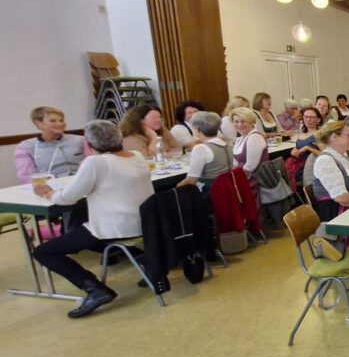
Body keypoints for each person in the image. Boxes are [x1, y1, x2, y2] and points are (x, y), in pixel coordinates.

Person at [31, 120, 155, 319]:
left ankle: (95, 289)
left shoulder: (96, 162)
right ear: (120, 137)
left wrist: (48, 192)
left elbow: (67, 198)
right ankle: (148, 261)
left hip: (114, 226)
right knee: (91, 237)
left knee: (44, 252)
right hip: (144, 223)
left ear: (89, 144)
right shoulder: (137, 156)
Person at [311, 120, 349, 222]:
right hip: (337, 215)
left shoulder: (342, 156)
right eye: (348, 135)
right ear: (335, 137)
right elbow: (342, 198)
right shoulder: (325, 160)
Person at [15, 106, 90, 183]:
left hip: (82, 183)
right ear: (39, 124)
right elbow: (26, 176)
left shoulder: (81, 140)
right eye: (53, 121)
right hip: (49, 187)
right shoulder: (26, 147)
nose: (60, 124)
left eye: (61, 120)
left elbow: (93, 164)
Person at [177, 112, 232, 189]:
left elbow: (191, 180)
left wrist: (175, 189)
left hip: (209, 192)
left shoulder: (201, 149)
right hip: (228, 189)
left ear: (197, 129)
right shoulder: (228, 145)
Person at [230, 107, 269, 195]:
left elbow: (250, 167)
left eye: (243, 121)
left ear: (252, 122)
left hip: (256, 182)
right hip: (244, 179)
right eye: (236, 121)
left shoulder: (254, 137)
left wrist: (234, 182)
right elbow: (235, 164)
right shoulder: (239, 139)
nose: (239, 124)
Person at [285, 107, 323, 188]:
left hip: (308, 169)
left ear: (318, 119)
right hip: (297, 165)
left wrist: (308, 148)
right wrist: (293, 151)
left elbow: (326, 154)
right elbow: (298, 148)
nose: (308, 120)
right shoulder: (302, 134)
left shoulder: (318, 134)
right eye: (306, 117)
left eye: (311, 117)